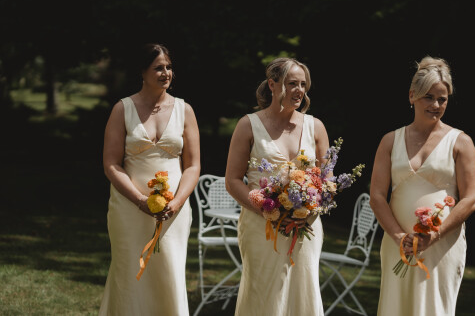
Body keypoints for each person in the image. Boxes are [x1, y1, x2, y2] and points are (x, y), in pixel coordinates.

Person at [370, 56, 475, 316]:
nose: (436, 105)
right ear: (412, 96)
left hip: (442, 245)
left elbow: (470, 199)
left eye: (442, 99)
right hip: (397, 245)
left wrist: (434, 235)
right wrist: (399, 237)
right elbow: (377, 196)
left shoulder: (461, 142)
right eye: (429, 97)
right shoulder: (390, 141)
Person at [99, 43, 200, 316]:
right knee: (129, 272)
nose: (166, 73)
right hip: (128, 208)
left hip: (173, 210)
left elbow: (193, 166)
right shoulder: (122, 109)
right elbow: (111, 164)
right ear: (142, 71)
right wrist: (140, 200)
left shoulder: (184, 110)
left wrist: (177, 202)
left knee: (169, 270)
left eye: (169, 67)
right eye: (158, 68)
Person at [225, 57, 329, 316]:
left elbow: (327, 182)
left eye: (303, 84)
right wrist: (266, 209)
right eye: (291, 83)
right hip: (260, 227)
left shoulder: (316, 127)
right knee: (262, 295)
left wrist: (308, 212)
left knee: (303, 292)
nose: (299, 90)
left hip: (305, 228)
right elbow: (233, 180)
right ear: (272, 85)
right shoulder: (248, 125)